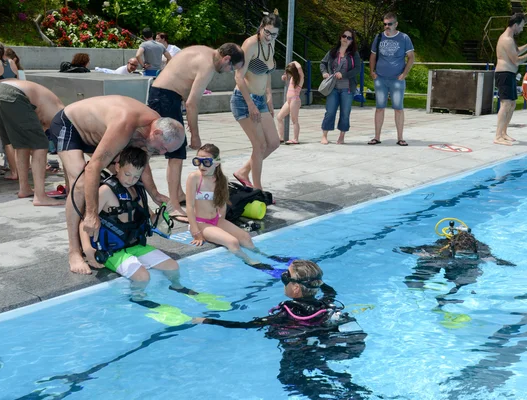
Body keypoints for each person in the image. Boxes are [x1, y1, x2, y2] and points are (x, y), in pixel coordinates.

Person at [193, 260, 372, 399]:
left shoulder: (286, 314)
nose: (283, 277)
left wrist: (206, 320)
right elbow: (330, 289)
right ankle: (355, 392)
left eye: (286, 276)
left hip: (300, 350)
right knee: (323, 368)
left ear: (295, 288)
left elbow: (246, 325)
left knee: (288, 379)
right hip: (323, 341)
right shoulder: (327, 303)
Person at [46, 95, 185, 275]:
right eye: (164, 148)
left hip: (99, 135)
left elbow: (140, 165)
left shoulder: (153, 129)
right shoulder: (126, 123)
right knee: (80, 183)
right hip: (69, 125)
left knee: (128, 172)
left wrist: (155, 194)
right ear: (156, 133)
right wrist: (91, 214)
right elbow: (93, 168)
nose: (162, 153)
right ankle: (74, 251)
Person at [77, 146, 211, 303]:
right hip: (111, 250)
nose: (130, 180)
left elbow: (151, 220)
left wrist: (163, 213)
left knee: (173, 266)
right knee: (142, 277)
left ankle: (177, 287)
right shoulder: (106, 191)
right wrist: (87, 249)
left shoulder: (138, 190)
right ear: (118, 167)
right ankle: (139, 299)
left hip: (136, 245)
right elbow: (85, 222)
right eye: (127, 174)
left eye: (136, 176)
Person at [148, 44, 245, 222]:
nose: (229, 72)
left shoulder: (207, 52)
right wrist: (195, 135)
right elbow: (192, 103)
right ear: (227, 59)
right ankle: (174, 206)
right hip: (164, 96)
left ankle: (178, 194)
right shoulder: (208, 66)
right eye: (232, 68)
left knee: (178, 150)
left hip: (165, 94)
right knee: (176, 154)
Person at [185, 143, 273, 269]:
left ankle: (264, 256)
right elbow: (189, 206)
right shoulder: (194, 178)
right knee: (232, 242)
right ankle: (251, 263)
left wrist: (224, 225)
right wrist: (196, 231)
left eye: (206, 162)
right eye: (198, 161)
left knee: (245, 237)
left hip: (217, 220)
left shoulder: (222, 180)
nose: (201, 165)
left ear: (216, 163)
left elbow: (222, 205)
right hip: (201, 222)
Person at [0, 80, 66, 206]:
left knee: (22, 144)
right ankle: (40, 196)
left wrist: (43, 162)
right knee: (41, 145)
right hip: (15, 94)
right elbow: (67, 150)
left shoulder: (51, 111)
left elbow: (30, 140)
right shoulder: (64, 117)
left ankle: (24, 188)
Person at [231, 10, 282, 190]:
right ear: (261, 27)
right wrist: (250, 104)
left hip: (260, 99)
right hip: (243, 100)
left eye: (274, 34)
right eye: (267, 32)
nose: (269, 36)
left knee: (274, 143)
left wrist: (268, 96)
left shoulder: (271, 44)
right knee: (259, 145)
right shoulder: (251, 44)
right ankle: (257, 189)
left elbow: (268, 72)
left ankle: (243, 171)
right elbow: (239, 76)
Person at [400, 229, 515, 309]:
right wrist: (420, 254)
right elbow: (409, 250)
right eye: (461, 255)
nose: (464, 259)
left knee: (466, 280)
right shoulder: (441, 248)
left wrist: (502, 263)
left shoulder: (482, 251)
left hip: (464, 267)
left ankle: (448, 300)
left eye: (467, 255)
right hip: (445, 258)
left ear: (475, 251)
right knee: (428, 266)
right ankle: (417, 297)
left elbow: (497, 260)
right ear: (452, 250)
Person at [368, 12, 415, 146]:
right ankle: (376, 137)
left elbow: (411, 57)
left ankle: (400, 138)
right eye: (385, 24)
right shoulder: (378, 37)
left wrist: (404, 73)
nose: (387, 26)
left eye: (390, 24)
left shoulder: (404, 38)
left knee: (398, 108)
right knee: (379, 107)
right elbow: (372, 55)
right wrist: (372, 71)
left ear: (396, 24)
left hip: (397, 79)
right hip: (380, 78)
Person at [494, 13, 527, 146]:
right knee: (506, 104)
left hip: (509, 74)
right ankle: (497, 136)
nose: (521, 29)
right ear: (515, 25)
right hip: (504, 74)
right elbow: (516, 60)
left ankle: (503, 133)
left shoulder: (510, 39)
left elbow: (516, 51)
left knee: (512, 104)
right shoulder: (506, 40)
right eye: (521, 26)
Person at [319, 29, 361, 145]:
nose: (346, 39)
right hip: (333, 87)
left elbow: (357, 69)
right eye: (344, 36)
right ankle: (324, 135)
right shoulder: (333, 52)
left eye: (349, 38)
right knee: (330, 111)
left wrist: (344, 75)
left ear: (352, 41)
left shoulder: (354, 55)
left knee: (345, 112)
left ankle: (341, 136)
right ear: (340, 37)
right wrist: (324, 73)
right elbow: (323, 63)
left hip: (347, 88)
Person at [0, 41, 19, 179]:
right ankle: (20, 169)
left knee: (7, 139)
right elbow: (19, 81)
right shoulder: (11, 62)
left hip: (2, 101)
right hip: (18, 99)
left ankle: (14, 172)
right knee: (17, 137)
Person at [277, 61, 304, 145]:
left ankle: (295, 139)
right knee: (279, 117)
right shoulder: (292, 77)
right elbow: (287, 72)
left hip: (295, 100)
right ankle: (280, 137)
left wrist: (294, 62)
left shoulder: (300, 77)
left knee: (294, 120)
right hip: (289, 100)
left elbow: (299, 68)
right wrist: (285, 74)